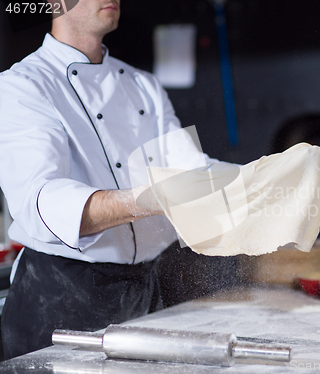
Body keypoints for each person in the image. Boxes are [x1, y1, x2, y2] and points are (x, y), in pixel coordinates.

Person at [0, 0, 217, 359]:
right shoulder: (21, 86)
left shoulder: (144, 85)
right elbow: (43, 201)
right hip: (62, 300)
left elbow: (192, 170)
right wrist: (149, 199)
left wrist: (260, 179)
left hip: (146, 293)